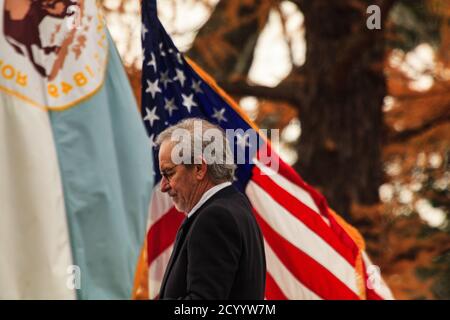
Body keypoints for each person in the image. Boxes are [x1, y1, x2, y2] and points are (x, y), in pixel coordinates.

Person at [156, 118, 266, 300]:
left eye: (169, 173)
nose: (163, 186)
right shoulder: (235, 206)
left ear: (199, 168)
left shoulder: (215, 219)